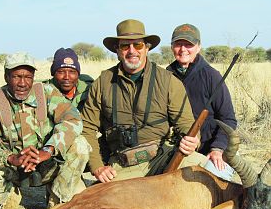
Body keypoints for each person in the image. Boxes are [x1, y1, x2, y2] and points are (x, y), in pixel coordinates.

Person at [81, 19, 207, 184]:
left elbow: (187, 125)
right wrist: (97, 166)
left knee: (212, 172)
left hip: (164, 158)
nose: (132, 51)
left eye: (138, 45)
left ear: (147, 48)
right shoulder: (103, 82)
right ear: (117, 50)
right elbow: (87, 128)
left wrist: (192, 141)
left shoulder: (168, 81)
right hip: (122, 166)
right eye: (125, 46)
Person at [0, 52, 91, 209]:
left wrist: (48, 150)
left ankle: (57, 199)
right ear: (6, 76)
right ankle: (9, 197)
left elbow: (73, 119)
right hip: (12, 169)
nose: (22, 83)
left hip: (47, 164)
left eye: (28, 77)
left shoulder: (47, 93)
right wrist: (10, 158)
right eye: (16, 76)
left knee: (80, 144)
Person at [166, 24, 237, 180]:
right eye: (178, 44)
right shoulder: (165, 76)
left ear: (198, 47)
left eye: (189, 44)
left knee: (217, 180)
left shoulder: (212, 76)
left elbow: (228, 119)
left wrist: (218, 148)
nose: (183, 49)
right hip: (175, 149)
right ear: (172, 47)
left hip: (209, 150)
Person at [45, 47, 94, 112]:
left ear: (78, 74)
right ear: (53, 73)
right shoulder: (43, 93)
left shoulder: (91, 91)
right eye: (61, 72)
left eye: (72, 72)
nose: (67, 77)